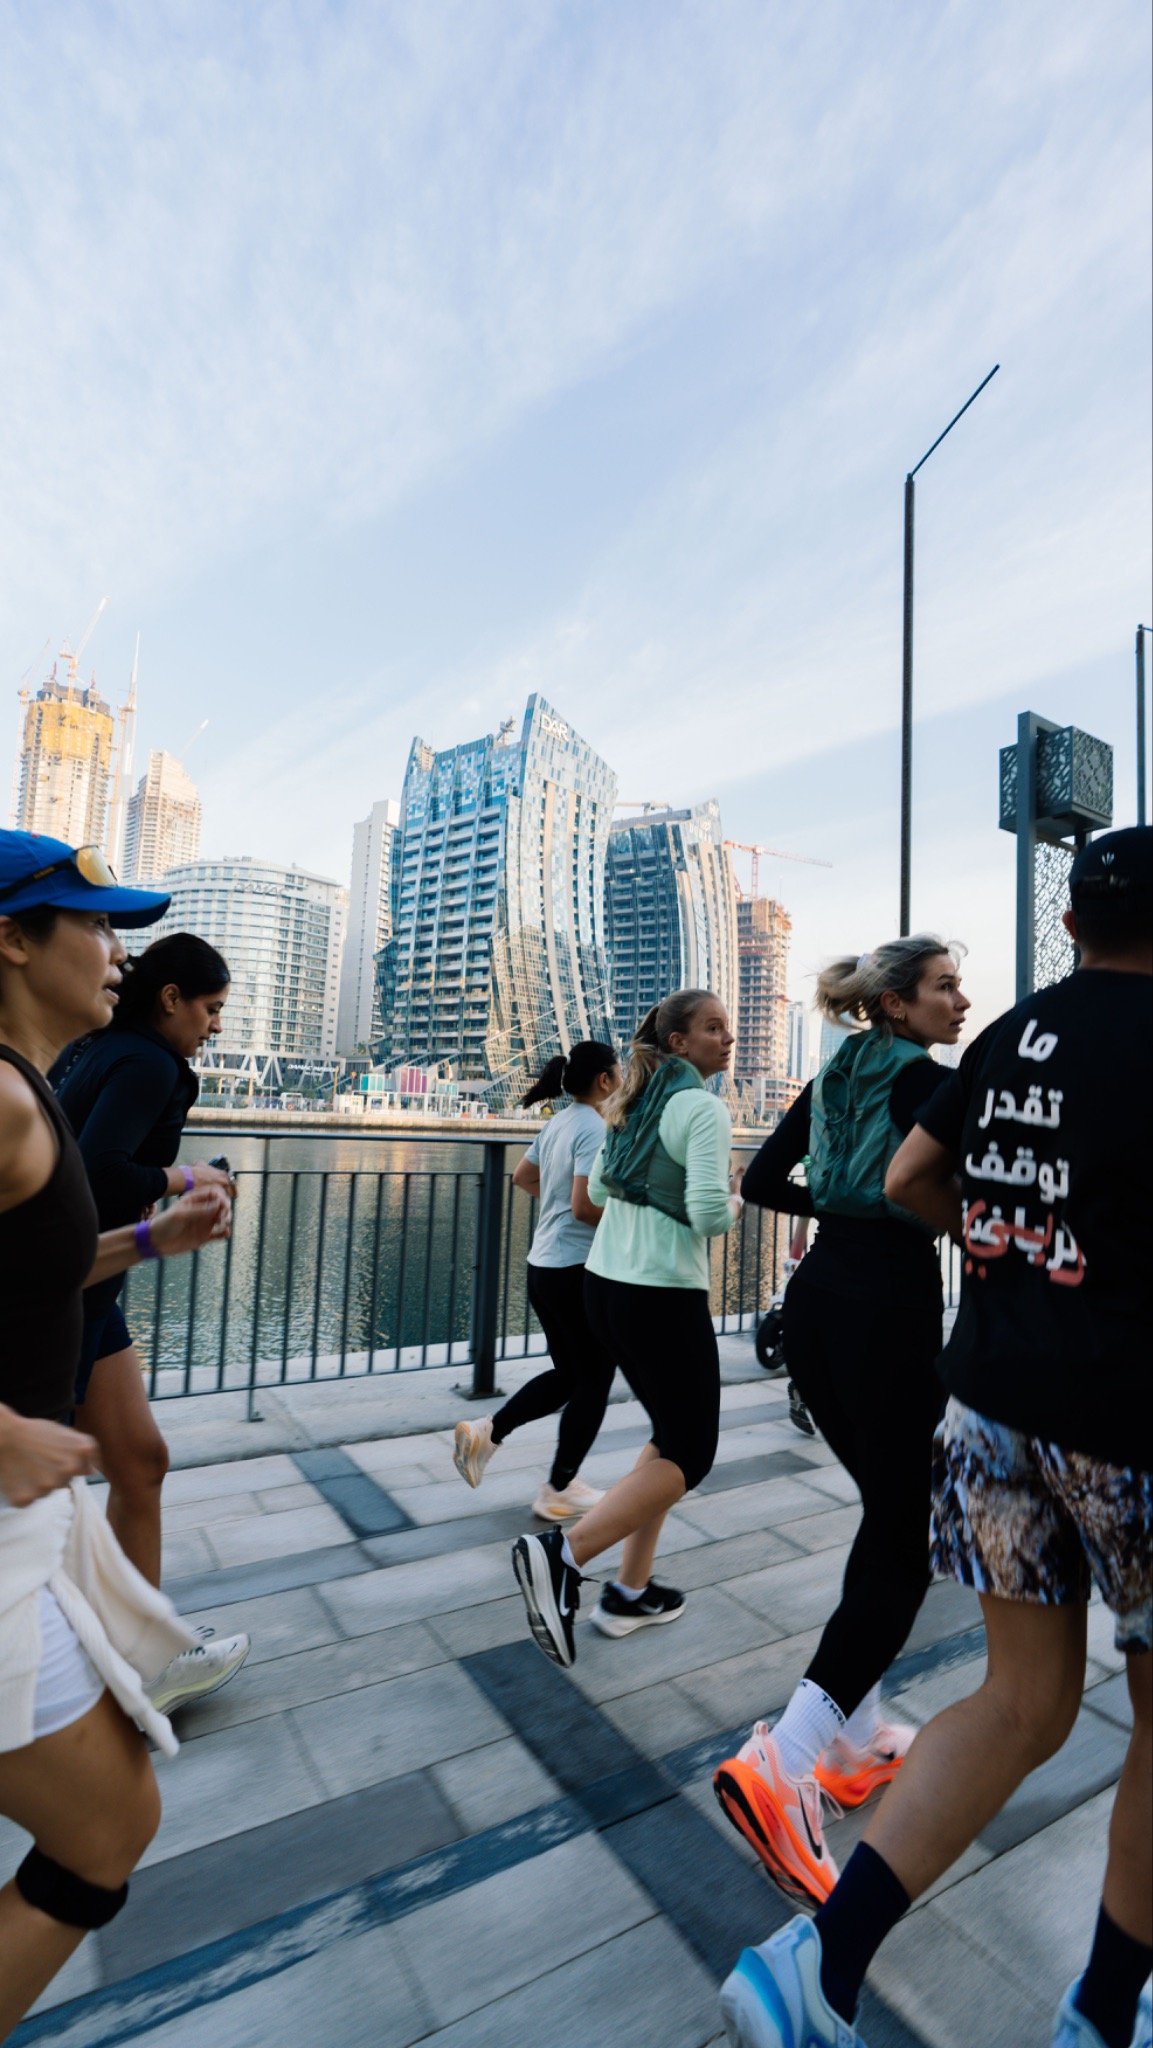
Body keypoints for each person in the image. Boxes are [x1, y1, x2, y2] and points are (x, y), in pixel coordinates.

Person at [720, 827, 1152, 2048]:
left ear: (1070, 927)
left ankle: (813, 1965)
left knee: (1018, 1698)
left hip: (991, 1402)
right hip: (1125, 1417)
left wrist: (1004, 1251)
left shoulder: (1014, 1034)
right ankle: (1106, 2011)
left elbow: (914, 1174)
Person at [0, 830, 234, 2038]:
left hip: (19, 1523)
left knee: (104, 1825)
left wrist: (150, 1241)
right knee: (105, 1829)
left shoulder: (37, 1080)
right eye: (92, 925)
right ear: (11, 936)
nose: (119, 952)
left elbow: (34, 1273)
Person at [714, 936, 970, 1909]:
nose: (961, 998)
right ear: (898, 1003)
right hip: (887, 1311)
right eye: (945, 985)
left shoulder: (835, 1073)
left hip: (816, 1300)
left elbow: (762, 1180)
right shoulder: (923, 1080)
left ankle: (855, 1742)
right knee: (908, 1539)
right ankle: (787, 1759)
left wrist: (840, 1197)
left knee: (886, 1513)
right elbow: (968, 1193)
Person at [509, 989, 740, 1664]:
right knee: (690, 1454)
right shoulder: (698, 1105)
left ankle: (630, 1590)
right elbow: (706, 1215)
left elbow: (604, 1192)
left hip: (605, 1289)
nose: (725, 1038)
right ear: (677, 1042)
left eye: (727, 1027)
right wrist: (735, 1196)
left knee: (667, 1437)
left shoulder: (631, 1100)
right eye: (710, 1028)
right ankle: (565, 1554)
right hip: (660, 1294)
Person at [50, 932, 249, 1715]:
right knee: (44, 1495)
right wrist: (187, 1177)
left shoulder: (100, 1046)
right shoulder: (149, 1062)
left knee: (140, 1461)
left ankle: (144, 1657)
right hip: (64, 1292)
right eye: (211, 1008)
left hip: (90, 1286)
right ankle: (93, 1665)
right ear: (171, 999)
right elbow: (97, 1169)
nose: (216, 1026)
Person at [452, 1041, 621, 1520]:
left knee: (571, 1374)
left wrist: (558, 1207)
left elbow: (522, 1178)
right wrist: (630, 1220)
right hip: (574, 1269)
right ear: (605, 1081)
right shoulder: (593, 1127)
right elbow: (586, 1206)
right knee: (594, 1377)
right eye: (620, 1073)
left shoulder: (560, 1122)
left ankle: (487, 1433)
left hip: (544, 1266)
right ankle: (559, 1487)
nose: (624, 1080)